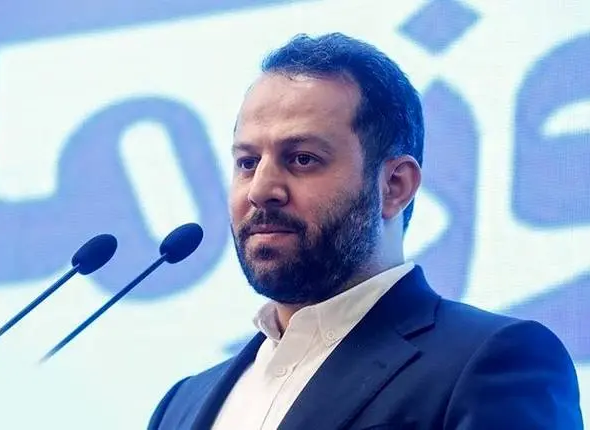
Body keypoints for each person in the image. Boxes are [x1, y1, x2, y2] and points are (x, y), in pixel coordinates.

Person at [148, 33, 583, 429]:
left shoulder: (493, 361)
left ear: (394, 186)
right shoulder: (182, 404)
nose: (261, 190)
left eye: (302, 158)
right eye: (247, 162)